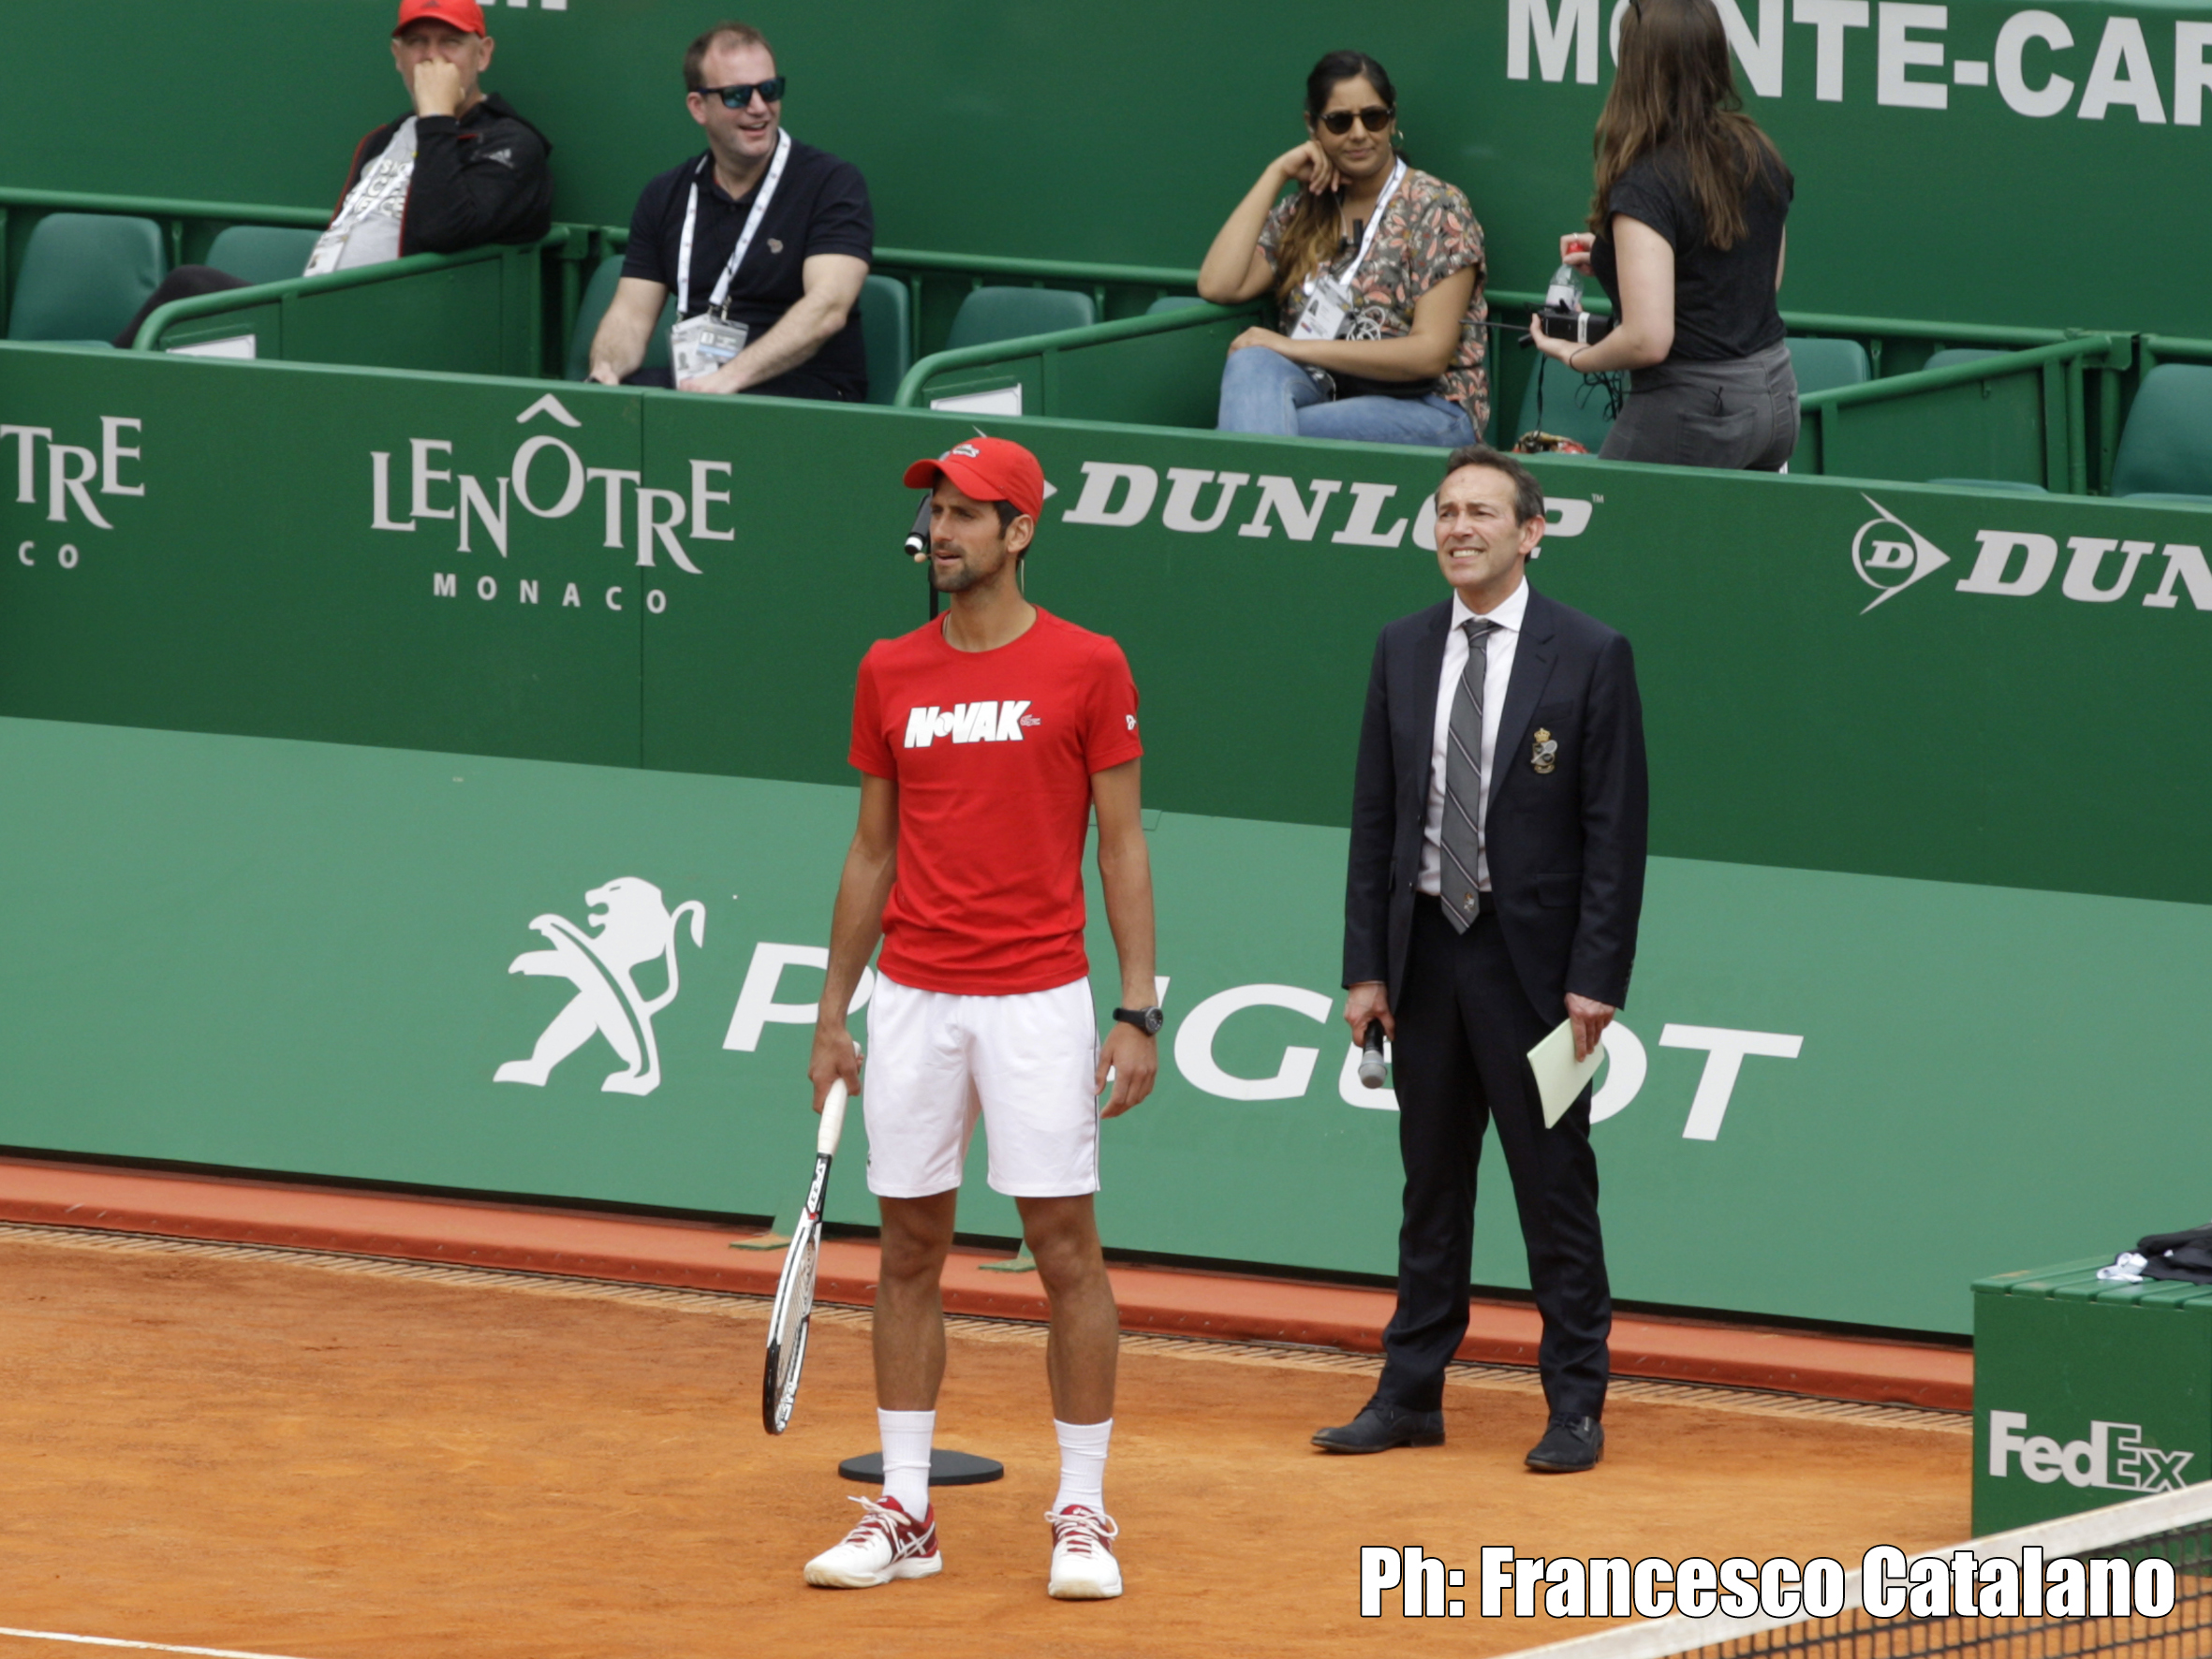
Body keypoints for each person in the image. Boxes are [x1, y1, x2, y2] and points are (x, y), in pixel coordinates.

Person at [801, 436, 1161, 1598]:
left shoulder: (1088, 664)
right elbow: (871, 849)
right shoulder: (888, 669)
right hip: (911, 996)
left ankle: (1083, 1511)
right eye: (935, 513)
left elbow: (1123, 844)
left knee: (1064, 1248)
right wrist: (832, 1009)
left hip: (1039, 998)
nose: (941, 533)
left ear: (1021, 532)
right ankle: (907, 1508)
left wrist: (1136, 1004)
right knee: (907, 1248)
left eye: (968, 514)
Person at [1321, 445, 1646, 1472]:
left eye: (1480, 513)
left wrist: (1596, 977)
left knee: (1554, 1188)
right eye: (1445, 511)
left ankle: (1576, 1404)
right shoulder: (1400, 645)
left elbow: (1615, 830)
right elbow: (1375, 819)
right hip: (1425, 958)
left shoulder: (1590, 652)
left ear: (1530, 532)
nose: (1457, 528)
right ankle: (1410, 1391)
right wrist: (1364, 968)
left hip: (1536, 972)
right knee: (1431, 1186)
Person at [112, 0, 552, 348]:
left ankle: (95, 396)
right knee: (186, 307)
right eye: (418, 42)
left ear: (484, 53)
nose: (432, 59)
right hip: (318, 318)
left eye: (450, 42)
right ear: (398, 56)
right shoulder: (384, 139)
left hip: (404, 338)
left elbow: (444, 231)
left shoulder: (510, 142)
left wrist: (437, 117)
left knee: (188, 286)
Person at [1528, 0, 1796, 469]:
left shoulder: (1646, 178)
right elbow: (1753, 282)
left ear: (1633, 65)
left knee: (1603, 533)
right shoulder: (1757, 149)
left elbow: (1647, 339)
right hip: (1776, 399)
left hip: (1695, 409)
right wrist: (1619, 257)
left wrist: (1576, 356)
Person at [1196, 51, 1488, 447]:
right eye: (1338, 121)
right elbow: (1219, 285)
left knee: (1259, 428)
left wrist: (1292, 346)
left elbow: (1429, 354)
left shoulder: (1436, 205)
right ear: (1312, 127)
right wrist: (1276, 172)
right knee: (1252, 363)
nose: (1358, 134)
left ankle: (1250, 491)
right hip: (1323, 388)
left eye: (1373, 117)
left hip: (1426, 407)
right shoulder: (1304, 208)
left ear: (1392, 120)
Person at [586, 22, 872, 398]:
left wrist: (728, 380)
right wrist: (604, 373)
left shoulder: (831, 183)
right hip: (700, 386)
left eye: (769, 90)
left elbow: (828, 308)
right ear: (698, 107)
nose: (759, 108)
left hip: (805, 393)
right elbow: (630, 317)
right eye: (737, 95)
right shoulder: (665, 194)